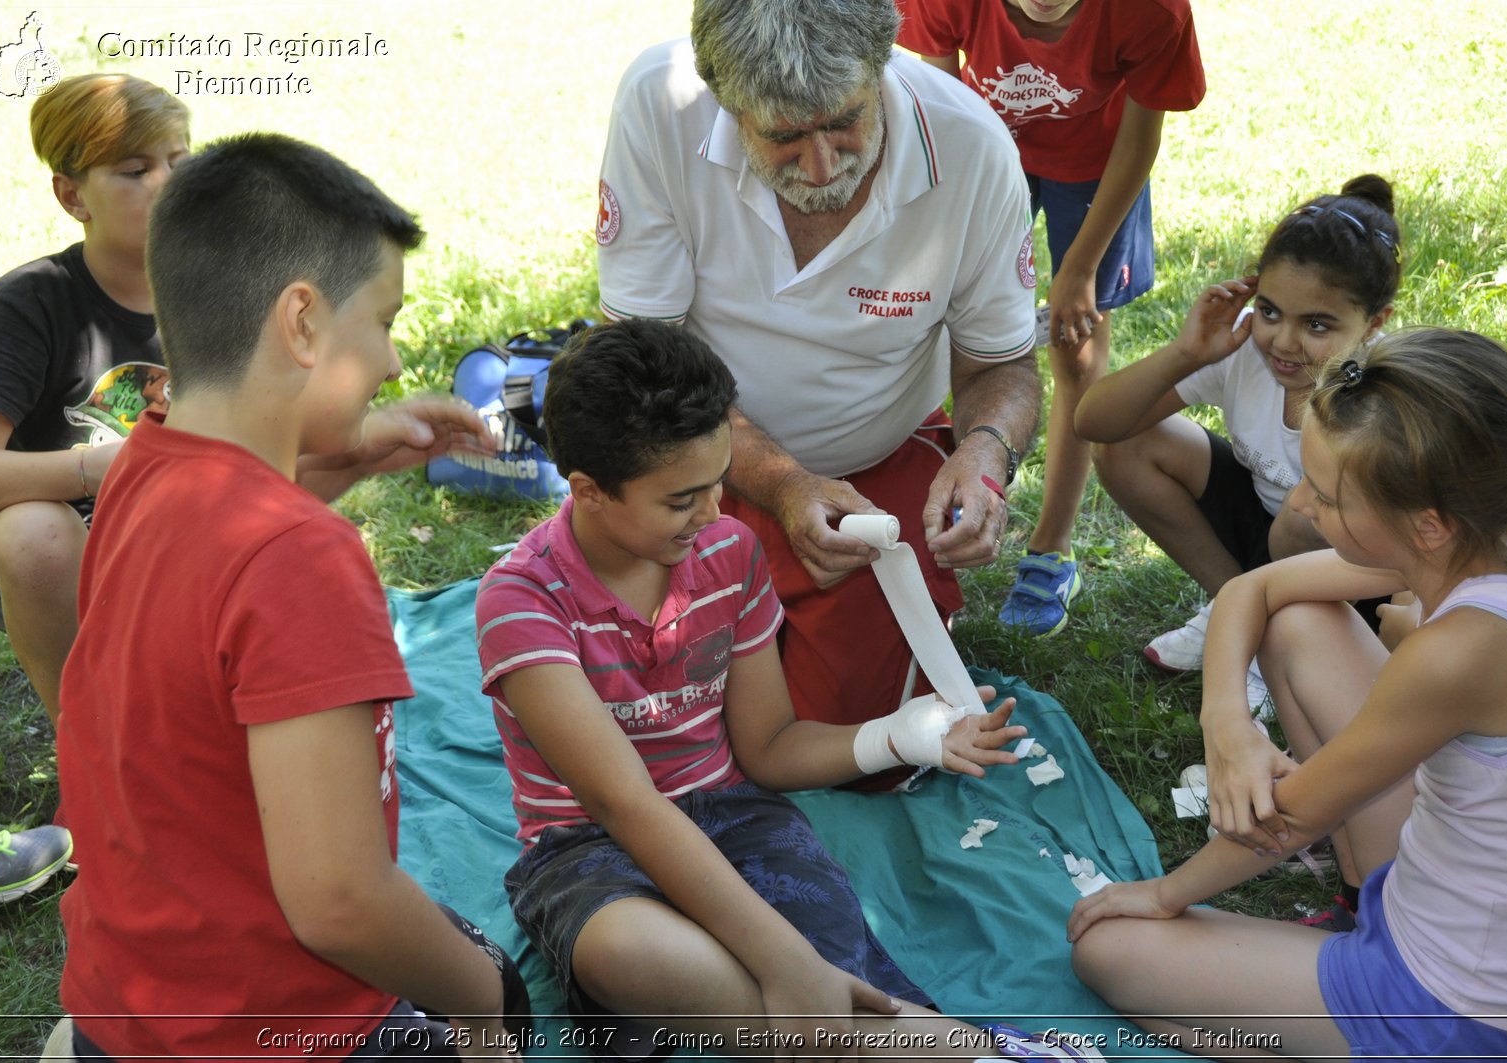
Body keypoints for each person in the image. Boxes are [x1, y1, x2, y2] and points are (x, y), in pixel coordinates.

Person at [477, 318, 1107, 1061]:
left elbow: (770, 748)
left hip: (735, 819)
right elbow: (625, 803)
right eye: (682, 500)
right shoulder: (520, 600)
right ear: (587, 491)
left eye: (717, 483)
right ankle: (943, 1049)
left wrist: (900, 735)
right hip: (586, 847)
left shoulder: (727, 552)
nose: (713, 513)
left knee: (816, 948)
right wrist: (787, 964)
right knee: (626, 952)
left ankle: (899, 1043)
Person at [56, 133, 531, 1061]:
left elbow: (227, 564)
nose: (393, 363)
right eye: (384, 321)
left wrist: (350, 449)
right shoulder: (303, 560)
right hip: (269, 1030)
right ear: (303, 322)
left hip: (131, 1005)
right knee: (485, 975)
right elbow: (341, 901)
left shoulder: (143, 467)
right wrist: (489, 995)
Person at [1066, 328, 1507, 1060]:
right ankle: (1358, 918)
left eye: (1326, 495)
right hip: (1467, 917)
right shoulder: (1500, 536)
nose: (1298, 504)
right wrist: (1226, 720)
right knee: (1298, 619)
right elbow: (1255, 589)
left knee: (1108, 948)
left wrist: (1164, 894)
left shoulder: (1457, 651)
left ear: (1427, 524)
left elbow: (1289, 817)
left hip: (1454, 1009)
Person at [596, 0, 1042, 743]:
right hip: (686, 459)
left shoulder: (972, 148)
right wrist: (781, 483)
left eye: (844, 121)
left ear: (883, 66)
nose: (823, 165)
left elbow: (1004, 364)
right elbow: (649, 366)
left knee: (857, 727)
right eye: (784, 136)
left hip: (873, 468)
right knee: (632, 710)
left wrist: (985, 453)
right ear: (722, 97)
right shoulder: (659, 102)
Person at [895, 0, 1205, 637]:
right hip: (977, 154)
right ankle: (928, 507)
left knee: (1076, 349)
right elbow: (938, 102)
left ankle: (1051, 551)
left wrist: (1081, 267)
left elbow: (1142, 134)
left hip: (1096, 166)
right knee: (930, 319)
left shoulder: (1152, 12)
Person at [0, 73, 188, 908]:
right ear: (72, 196)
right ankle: (95, 778)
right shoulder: (30, 306)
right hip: (37, 556)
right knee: (38, 532)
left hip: (165, 545)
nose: (165, 185)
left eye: (178, 159)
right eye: (134, 169)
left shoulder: (214, 296)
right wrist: (95, 470)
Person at [1074, 175, 1402, 708]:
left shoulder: (1387, 387)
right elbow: (1095, 425)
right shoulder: (1247, 347)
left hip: (1359, 574)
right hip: (1268, 538)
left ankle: (1276, 639)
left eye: (1317, 324)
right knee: (1126, 444)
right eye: (1270, 310)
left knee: (1303, 514)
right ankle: (1238, 611)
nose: (1284, 341)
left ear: (1373, 324)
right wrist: (1187, 354)